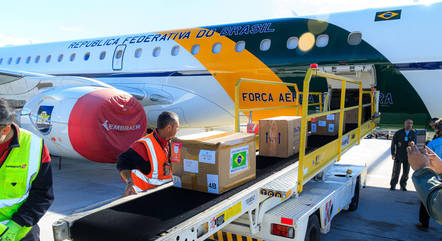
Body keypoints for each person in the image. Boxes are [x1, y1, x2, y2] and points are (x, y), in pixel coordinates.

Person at [0, 99, 54, 241]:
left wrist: (18, 223)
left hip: (20, 231)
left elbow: (43, 195)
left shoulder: (35, 147)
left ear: (5, 129)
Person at [117, 111, 179, 196]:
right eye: (177, 127)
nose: (178, 130)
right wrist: (130, 183)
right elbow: (122, 162)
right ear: (169, 127)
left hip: (165, 192)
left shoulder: (171, 142)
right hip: (145, 196)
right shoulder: (143, 146)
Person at [407, 142, 442, 225]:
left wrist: (422, 172)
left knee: (427, 202)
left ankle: (424, 224)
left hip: (432, 178)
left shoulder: (434, 142)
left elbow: (438, 205)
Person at [417, 117, 440, 230]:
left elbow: (426, 159)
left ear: (437, 130)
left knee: (426, 198)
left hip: (435, 175)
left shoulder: (434, 143)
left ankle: (424, 224)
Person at [390, 119, 416, 191]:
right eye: (408, 123)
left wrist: (413, 144)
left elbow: (416, 144)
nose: (409, 125)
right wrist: (393, 153)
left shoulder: (413, 133)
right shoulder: (399, 132)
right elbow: (393, 144)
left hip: (408, 156)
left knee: (406, 172)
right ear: (404, 124)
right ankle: (393, 185)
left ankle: (403, 185)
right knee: (396, 171)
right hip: (399, 155)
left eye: (411, 123)